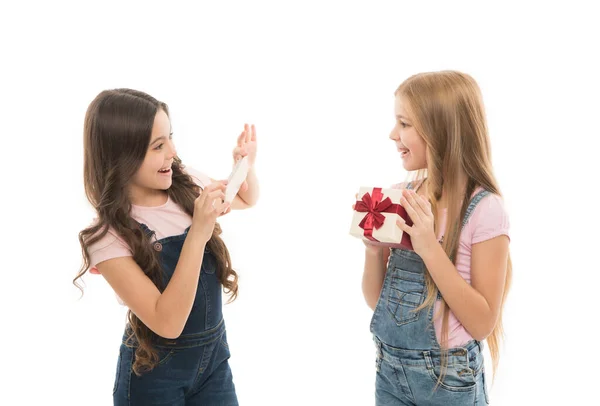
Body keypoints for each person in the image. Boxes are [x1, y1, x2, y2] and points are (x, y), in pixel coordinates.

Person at [74, 88, 259, 405]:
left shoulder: (184, 183)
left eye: (170, 138)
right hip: (153, 377)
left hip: (214, 364)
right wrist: (197, 233)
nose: (172, 152)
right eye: (158, 146)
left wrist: (243, 168)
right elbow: (168, 322)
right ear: (122, 156)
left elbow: (244, 198)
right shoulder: (107, 237)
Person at [362, 71, 511, 405]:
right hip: (389, 369)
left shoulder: (484, 210)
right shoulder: (403, 196)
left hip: (449, 379)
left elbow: (483, 322)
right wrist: (374, 252)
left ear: (440, 130)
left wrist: (429, 247)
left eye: (404, 124)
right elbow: (379, 304)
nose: (392, 134)